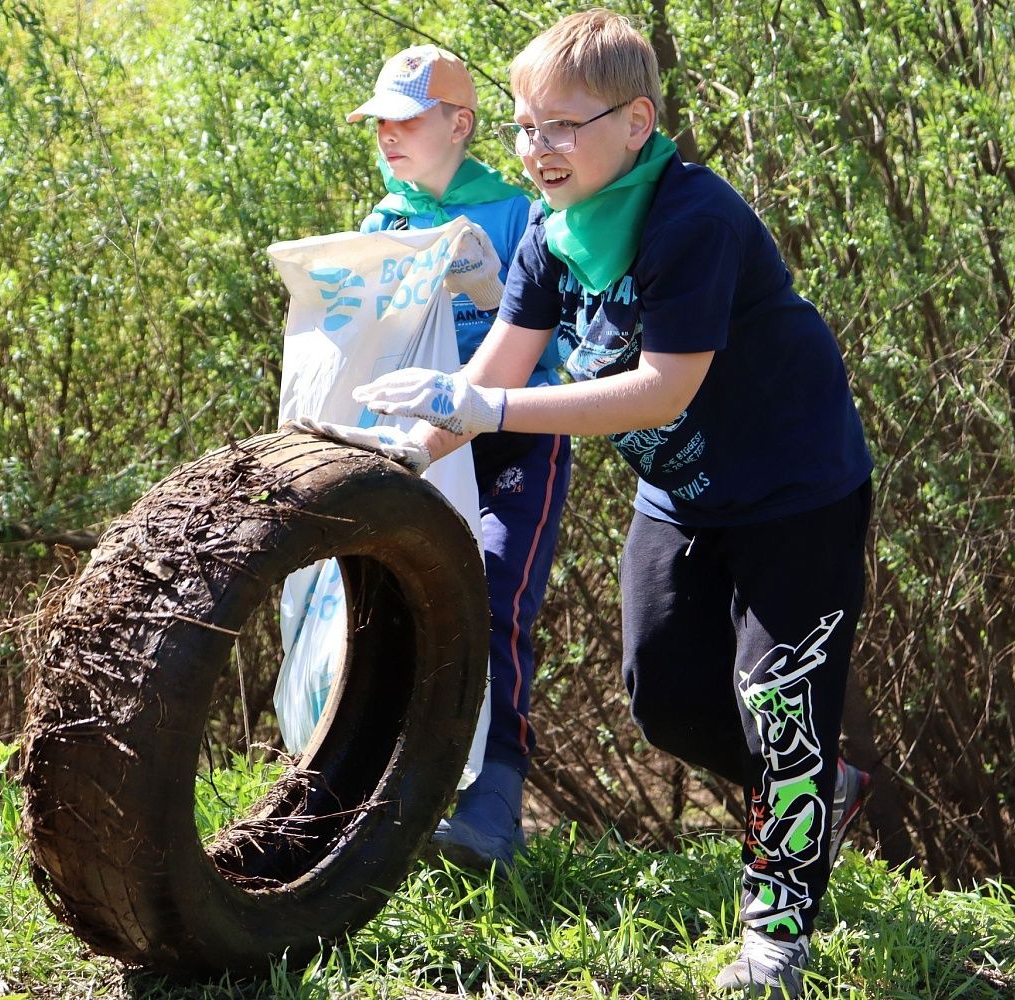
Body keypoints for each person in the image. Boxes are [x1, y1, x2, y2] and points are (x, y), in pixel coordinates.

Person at [317, 11, 874, 998]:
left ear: (636, 123)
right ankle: (816, 787)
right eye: (527, 127)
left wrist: (487, 408)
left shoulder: (691, 221)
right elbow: (494, 372)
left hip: (798, 496)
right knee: (665, 703)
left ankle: (774, 940)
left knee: (779, 704)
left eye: (564, 127)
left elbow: (660, 390)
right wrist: (402, 451)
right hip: (682, 496)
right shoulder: (547, 231)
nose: (538, 148)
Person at [345, 44, 572, 872]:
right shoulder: (383, 223)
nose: (388, 136)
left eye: (406, 121)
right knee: (392, 607)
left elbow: (562, 348)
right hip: (416, 441)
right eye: (379, 123)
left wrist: (488, 285)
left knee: (496, 599)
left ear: (460, 124)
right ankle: (381, 799)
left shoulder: (520, 216)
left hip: (515, 437)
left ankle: (493, 808)